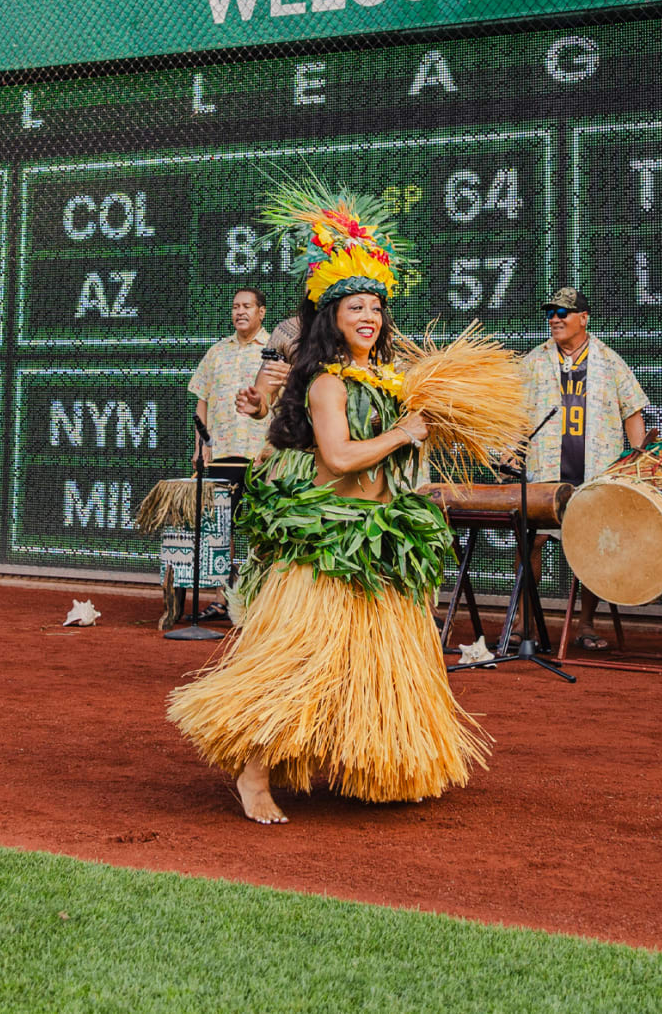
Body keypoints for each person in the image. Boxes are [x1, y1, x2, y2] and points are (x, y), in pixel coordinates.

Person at [169, 186, 489, 823]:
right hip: (330, 543)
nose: (369, 316)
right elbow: (338, 457)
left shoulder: (393, 380)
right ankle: (253, 771)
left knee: (379, 666)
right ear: (332, 317)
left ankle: (373, 767)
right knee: (304, 663)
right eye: (355, 307)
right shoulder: (325, 383)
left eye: (376, 307)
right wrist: (402, 433)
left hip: (382, 538)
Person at [521, 287, 649, 650]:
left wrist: (637, 461)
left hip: (595, 472)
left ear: (583, 318)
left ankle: (586, 624)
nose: (555, 319)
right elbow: (512, 414)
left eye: (563, 312)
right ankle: (525, 624)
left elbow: (632, 412)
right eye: (551, 313)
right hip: (545, 473)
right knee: (531, 542)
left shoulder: (609, 360)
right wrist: (510, 454)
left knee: (595, 548)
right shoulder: (533, 361)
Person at [190, 288, 273, 467]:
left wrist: (272, 449)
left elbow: (287, 405)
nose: (240, 312)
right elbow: (203, 402)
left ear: (261, 312)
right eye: (235, 307)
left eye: (246, 306)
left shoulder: (275, 350)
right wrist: (201, 446)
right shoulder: (216, 351)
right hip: (219, 455)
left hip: (261, 458)